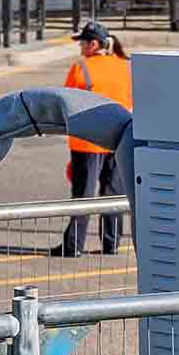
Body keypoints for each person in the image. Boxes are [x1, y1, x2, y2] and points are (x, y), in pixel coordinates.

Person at [59, 22, 130, 257]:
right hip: (119, 138)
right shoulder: (125, 67)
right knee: (113, 193)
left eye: (83, 42)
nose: (80, 47)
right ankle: (111, 244)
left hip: (87, 141)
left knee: (83, 194)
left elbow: (66, 103)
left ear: (94, 44)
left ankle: (74, 246)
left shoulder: (81, 68)